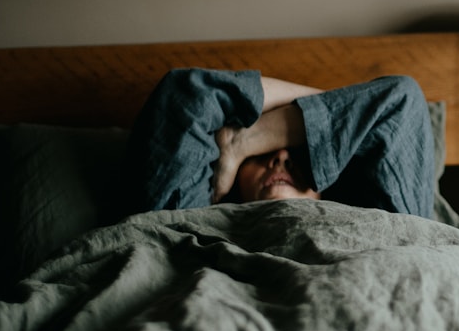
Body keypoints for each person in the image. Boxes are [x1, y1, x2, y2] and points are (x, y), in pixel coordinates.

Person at [126, 68, 436, 219]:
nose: (282, 157)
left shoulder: (385, 225)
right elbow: (187, 95)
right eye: (262, 153)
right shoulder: (185, 219)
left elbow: (400, 102)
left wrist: (247, 142)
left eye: (303, 152)